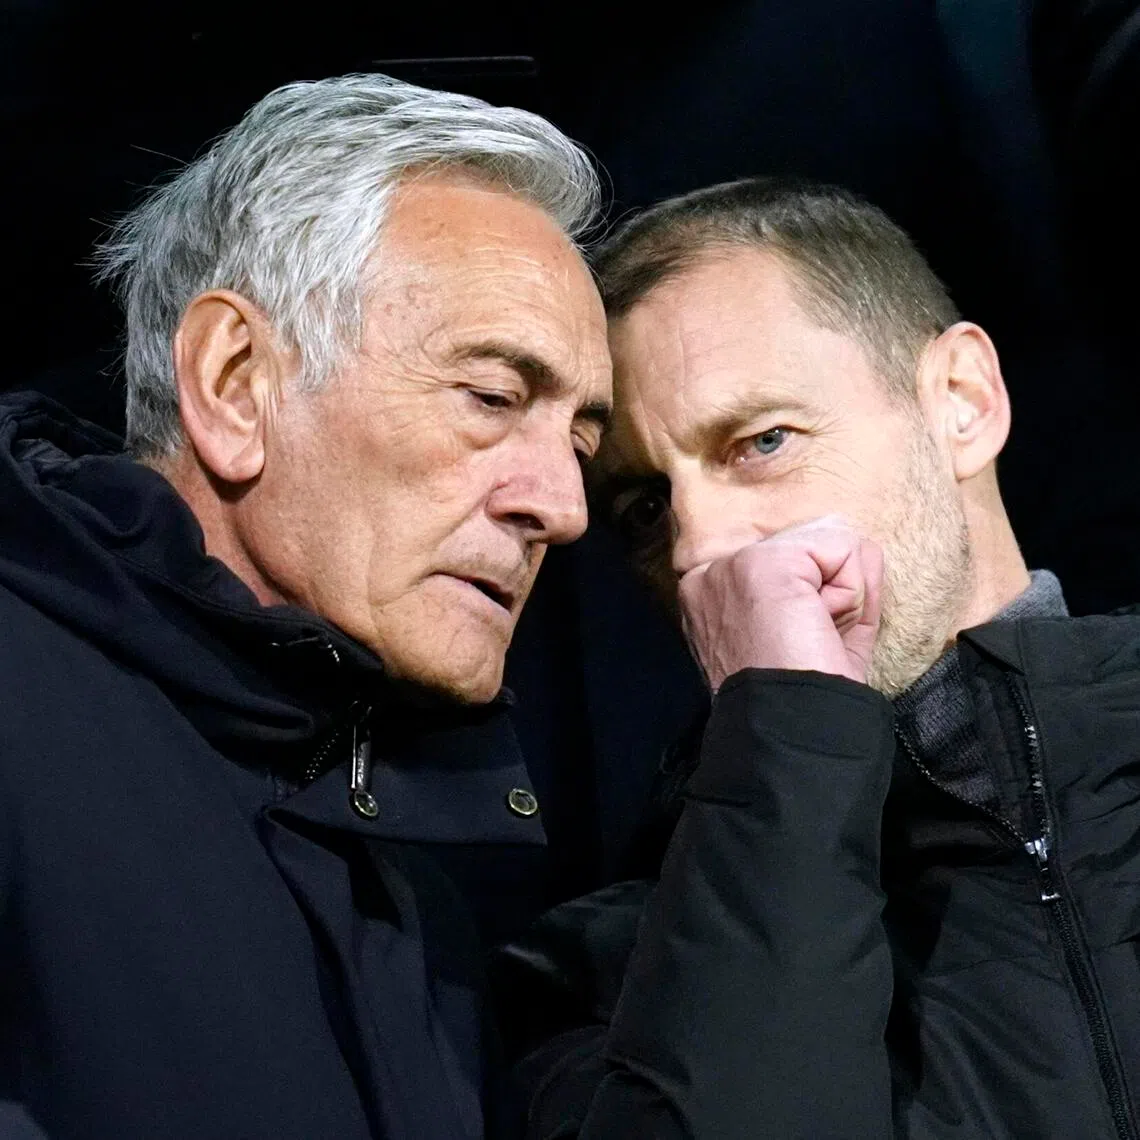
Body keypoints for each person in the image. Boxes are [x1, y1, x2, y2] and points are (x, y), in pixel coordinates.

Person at [0, 72, 614, 1139]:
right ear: (236, 384)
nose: (562, 507)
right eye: (492, 398)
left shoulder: (413, 897)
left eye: (581, 445)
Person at [500, 178, 1140, 1138]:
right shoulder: (613, 978)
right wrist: (787, 736)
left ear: (962, 405)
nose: (696, 547)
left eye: (762, 442)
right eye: (645, 508)